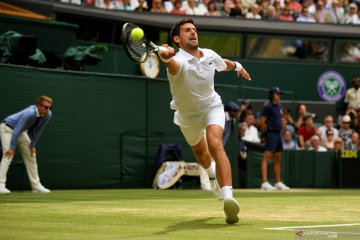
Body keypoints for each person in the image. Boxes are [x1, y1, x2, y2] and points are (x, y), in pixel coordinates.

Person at [158, 18, 251, 224]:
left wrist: (238, 66)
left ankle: (228, 199)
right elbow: (172, 66)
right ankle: (212, 177)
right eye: (187, 31)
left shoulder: (209, 54)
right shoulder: (178, 60)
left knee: (215, 144)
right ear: (177, 39)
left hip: (212, 107)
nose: (193, 32)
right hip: (187, 116)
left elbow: (223, 64)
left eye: (194, 29)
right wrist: (165, 58)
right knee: (201, 154)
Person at [0, 96, 53, 194]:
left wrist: (32, 146)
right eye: (46, 107)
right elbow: (16, 131)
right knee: (8, 155)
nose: (48, 109)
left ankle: (36, 186)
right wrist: (12, 147)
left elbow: (38, 132)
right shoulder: (29, 113)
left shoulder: (48, 115)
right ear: (39, 106)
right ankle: (0, 185)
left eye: (49, 107)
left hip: (21, 132)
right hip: (8, 129)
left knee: (31, 155)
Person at [260, 87, 289, 191]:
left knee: (277, 158)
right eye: (277, 94)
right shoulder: (268, 107)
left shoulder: (280, 106)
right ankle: (264, 183)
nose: (279, 96)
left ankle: (278, 182)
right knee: (266, 158)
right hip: (271, 134)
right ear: (272, 95)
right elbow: (262, 122)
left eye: (279, 94)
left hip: (278, 134)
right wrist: (264, 134)